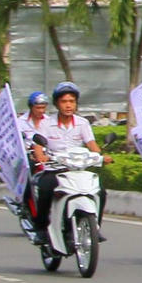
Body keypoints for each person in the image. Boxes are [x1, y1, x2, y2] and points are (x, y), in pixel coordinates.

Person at [29, 81, 113, 244]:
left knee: (100, 191)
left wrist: (102, 156)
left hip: (78, 169)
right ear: (57, 104)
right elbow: (38, 145)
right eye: (64, 101)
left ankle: (95, 228)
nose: (68, 105)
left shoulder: (83, 123)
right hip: (55, 168)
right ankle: (40, 229)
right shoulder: (46, 123)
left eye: (72, 101)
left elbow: (92, 145)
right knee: (45, 188)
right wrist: (41, 156)